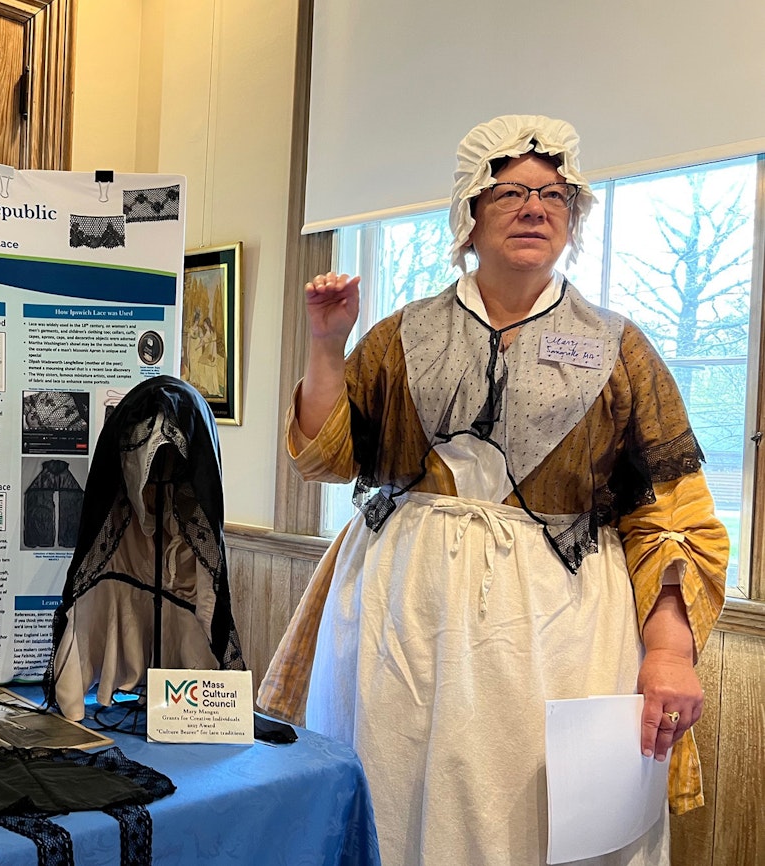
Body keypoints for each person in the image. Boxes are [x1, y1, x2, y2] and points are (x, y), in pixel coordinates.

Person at [257, 115, 729, 865]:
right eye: (510, 192)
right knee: (393, 798)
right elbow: (326, 458)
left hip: (560, 629)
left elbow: (672, 515)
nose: (534, 208)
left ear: (573, 215)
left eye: (553, 194)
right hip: (401, 618)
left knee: (543, 823)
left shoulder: (619, 348)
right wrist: (326, 344)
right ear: (469, 215)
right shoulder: (401, 336)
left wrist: (669, 653)